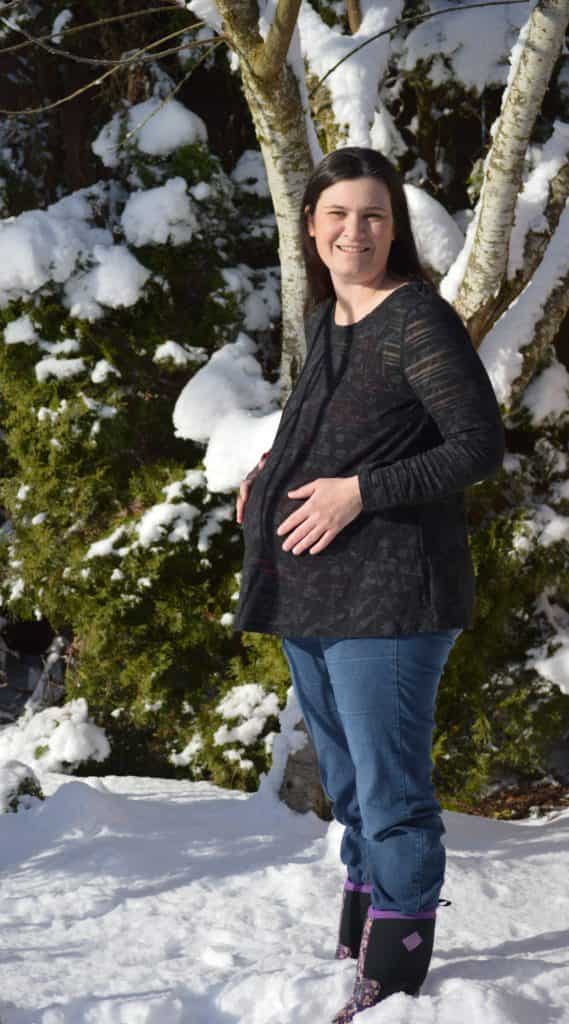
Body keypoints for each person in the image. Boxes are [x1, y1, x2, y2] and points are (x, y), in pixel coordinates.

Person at [233, 147, 505, 1021]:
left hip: (391, 595)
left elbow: (475, 445)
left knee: (389, 794)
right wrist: (270, 468)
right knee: (349, 784)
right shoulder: (328, 321)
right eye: (339, 215)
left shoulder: (414, 319)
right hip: (312, 587)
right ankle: (363, 926)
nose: (357, 231)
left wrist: (359, 493)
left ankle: (395, 968)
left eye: (375, 216)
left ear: (394, 229)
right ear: (311, 227)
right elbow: (339, 425)